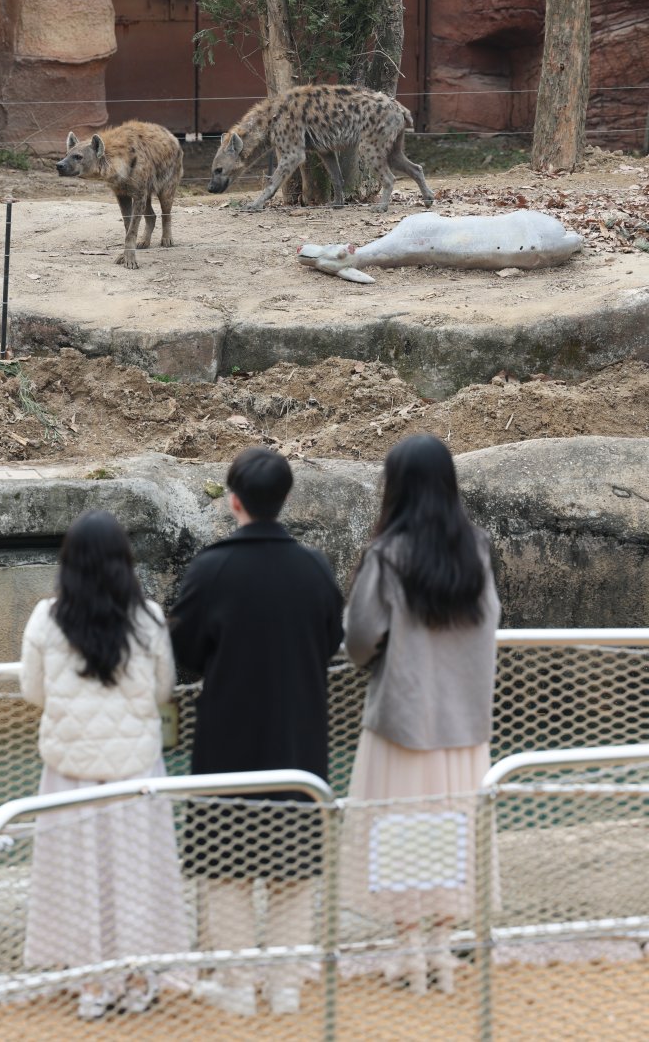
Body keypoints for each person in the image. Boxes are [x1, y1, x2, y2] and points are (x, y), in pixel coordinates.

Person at [170, 446, 344, 1017]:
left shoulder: (211, 568)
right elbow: (331, 640)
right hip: (299, 739)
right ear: (285, 498)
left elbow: (185, 651)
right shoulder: (314, 567)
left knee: (226, 868)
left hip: (227, 741)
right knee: (295, 869)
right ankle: (288, 985)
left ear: (234, 500)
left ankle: (238, 984)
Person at [342, 434, 501, 995]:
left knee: (400, 833)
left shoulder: (388, 555)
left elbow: (359, 638)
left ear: (397, 487)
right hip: (464, 728)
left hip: (405, 723)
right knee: (452, 832)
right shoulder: (475, 549)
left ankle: (409, 954)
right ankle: (440, 950)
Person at [19, 510, 190, 1021]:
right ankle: (139, 979)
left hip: (68, 770)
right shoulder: (150, 619)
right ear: (124, 563)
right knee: (135, 873)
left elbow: (32, 692)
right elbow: (163, 691)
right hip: (136, 768)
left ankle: (92, 984)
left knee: (77, 874)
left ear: (67, 562)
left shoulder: (45, 619)